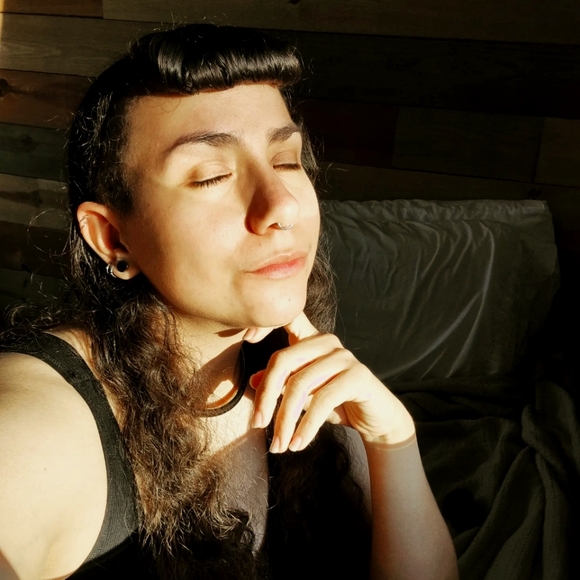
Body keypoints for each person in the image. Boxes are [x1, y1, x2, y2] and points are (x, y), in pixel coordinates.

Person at [0, 24, 458, 580]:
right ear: (113, 237)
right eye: (212, 176)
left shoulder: (303, 380)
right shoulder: (41, 426)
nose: (281, 206)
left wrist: (393, 441)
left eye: (286, 161)